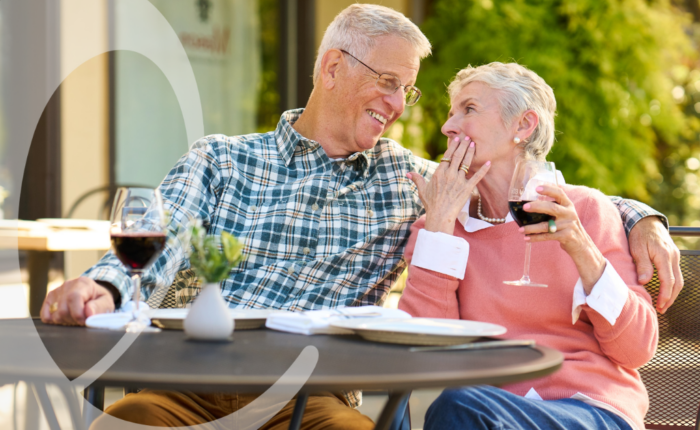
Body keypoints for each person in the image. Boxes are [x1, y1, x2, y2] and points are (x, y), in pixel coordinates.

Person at [39, 4, 676, 429]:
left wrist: (641, 216)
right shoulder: (222, 161)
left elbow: (517, 190)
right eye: (389, 83)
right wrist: (103, 287)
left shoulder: (414, 182)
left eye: (408, 89)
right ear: (333, 67)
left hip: (313, 402)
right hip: (191, 384)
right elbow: (159, 239)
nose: (400, 105)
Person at [400, 62, 657, 430]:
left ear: (523, 125)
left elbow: (637, 349)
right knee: (459, 405)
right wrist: (440, 226)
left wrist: (582, 249)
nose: (447, 126)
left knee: (459, 407)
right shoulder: (437, 228)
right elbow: (426, 355)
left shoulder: (585, 211)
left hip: (588, 409)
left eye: (468, 109)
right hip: (484, 411)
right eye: (451, 112)